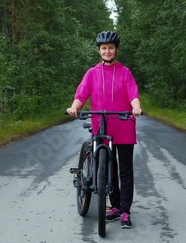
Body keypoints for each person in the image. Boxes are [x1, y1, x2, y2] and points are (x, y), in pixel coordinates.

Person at [67, 31, 142, 229]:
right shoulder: (92, 73)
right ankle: (115, 206)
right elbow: (81, 94)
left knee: (125, 169)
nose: (107, 51)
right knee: (109, 168)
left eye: (110, 47)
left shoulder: (125, 72)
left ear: (116, 49)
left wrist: (135, 107)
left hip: (124, 123)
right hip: (102, 124)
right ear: (99, 50)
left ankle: (125, 211)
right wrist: (75, 107)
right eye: (103, 48)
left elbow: (133, 93)